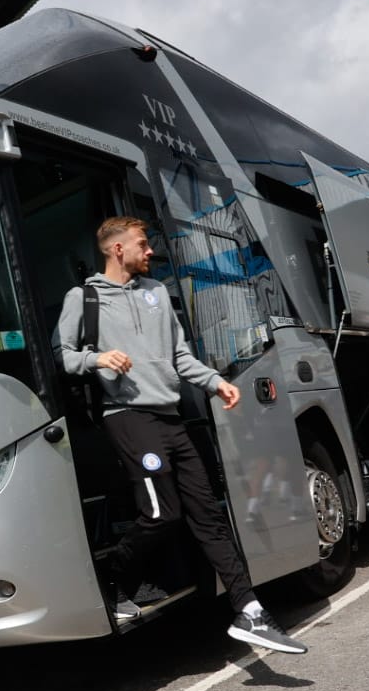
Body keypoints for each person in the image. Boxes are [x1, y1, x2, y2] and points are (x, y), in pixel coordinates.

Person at [53, 215, 308, 653]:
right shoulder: (85, 297)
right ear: (118, 250)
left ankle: (249, 611)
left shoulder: (156, 294)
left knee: (208, 514)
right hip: (128, 417)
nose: (150, 251)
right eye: (141, 244)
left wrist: (215, 381)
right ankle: (114, 579)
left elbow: (180, 357)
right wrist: (97, 360)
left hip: (171, 417)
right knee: (161, 514)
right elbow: (64, 355)